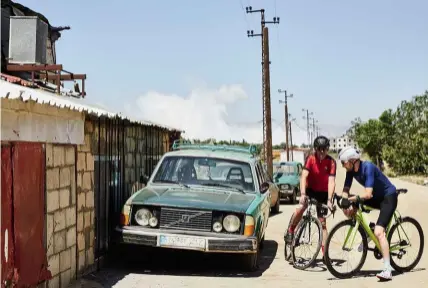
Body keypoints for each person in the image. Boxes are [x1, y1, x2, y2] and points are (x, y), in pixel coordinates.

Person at [338, 146, 398, 281]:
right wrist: (343, 199)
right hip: (375, 197)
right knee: (352, 207)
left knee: (379, 232)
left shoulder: (368, 167)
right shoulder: (351, 170)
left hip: (388, 197)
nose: (342, 166)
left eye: (343, 163)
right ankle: (368, 229)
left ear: (352, 160)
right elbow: (346, 188)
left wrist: (349, 199)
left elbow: (367, 194)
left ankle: (388, 269)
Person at [284, 136, 336, 257]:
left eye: (324, 149)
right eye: (319, 149)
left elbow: (332, 181)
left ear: (327, 149)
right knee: (302, 207)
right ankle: (291, 230)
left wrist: (329, 200)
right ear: (316, 149)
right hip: (310, 190)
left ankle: (325, 254)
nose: (322, 152)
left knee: (323, 223)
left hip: (323, 193)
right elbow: (304, 176)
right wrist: (302, 194)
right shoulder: (311, 159)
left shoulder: (331, 162)